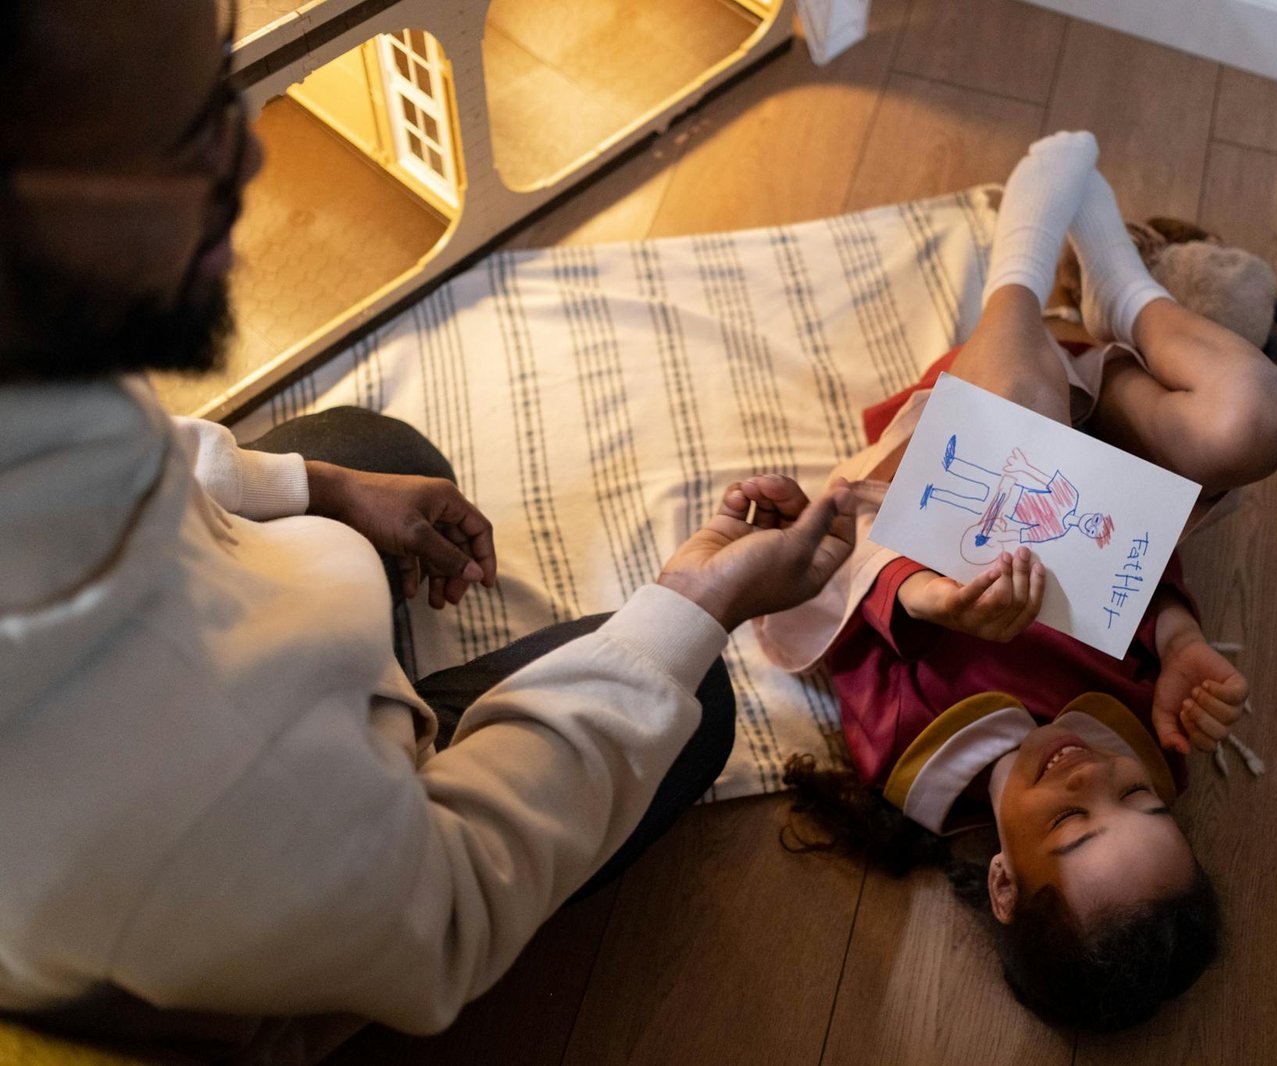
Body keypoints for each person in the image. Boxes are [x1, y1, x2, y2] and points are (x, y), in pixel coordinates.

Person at [0, 0, 856, 1061]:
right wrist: (697, 600)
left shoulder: (33, 362)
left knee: (374, 448)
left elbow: (165, 454)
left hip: (222, 783)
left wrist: (324, 487)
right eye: (187, 133)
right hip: (313, 886)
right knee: (698, 697)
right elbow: (454, 902)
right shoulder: (209, 748)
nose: (249, 150)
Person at [758, 131, 1277, 1031]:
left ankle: (1024, 264)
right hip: (1102, 463)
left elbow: (834, 603)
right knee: (1259, 416)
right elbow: (1137, 578)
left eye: (1072, 824)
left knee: (1022, 404)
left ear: (1005, 882)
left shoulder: (907, 759)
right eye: (1138, 800)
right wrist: (1179, 642)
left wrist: (934, 599)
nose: (1097, 775)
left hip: (967, 447)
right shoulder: (1156, 740)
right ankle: (1124, 297)